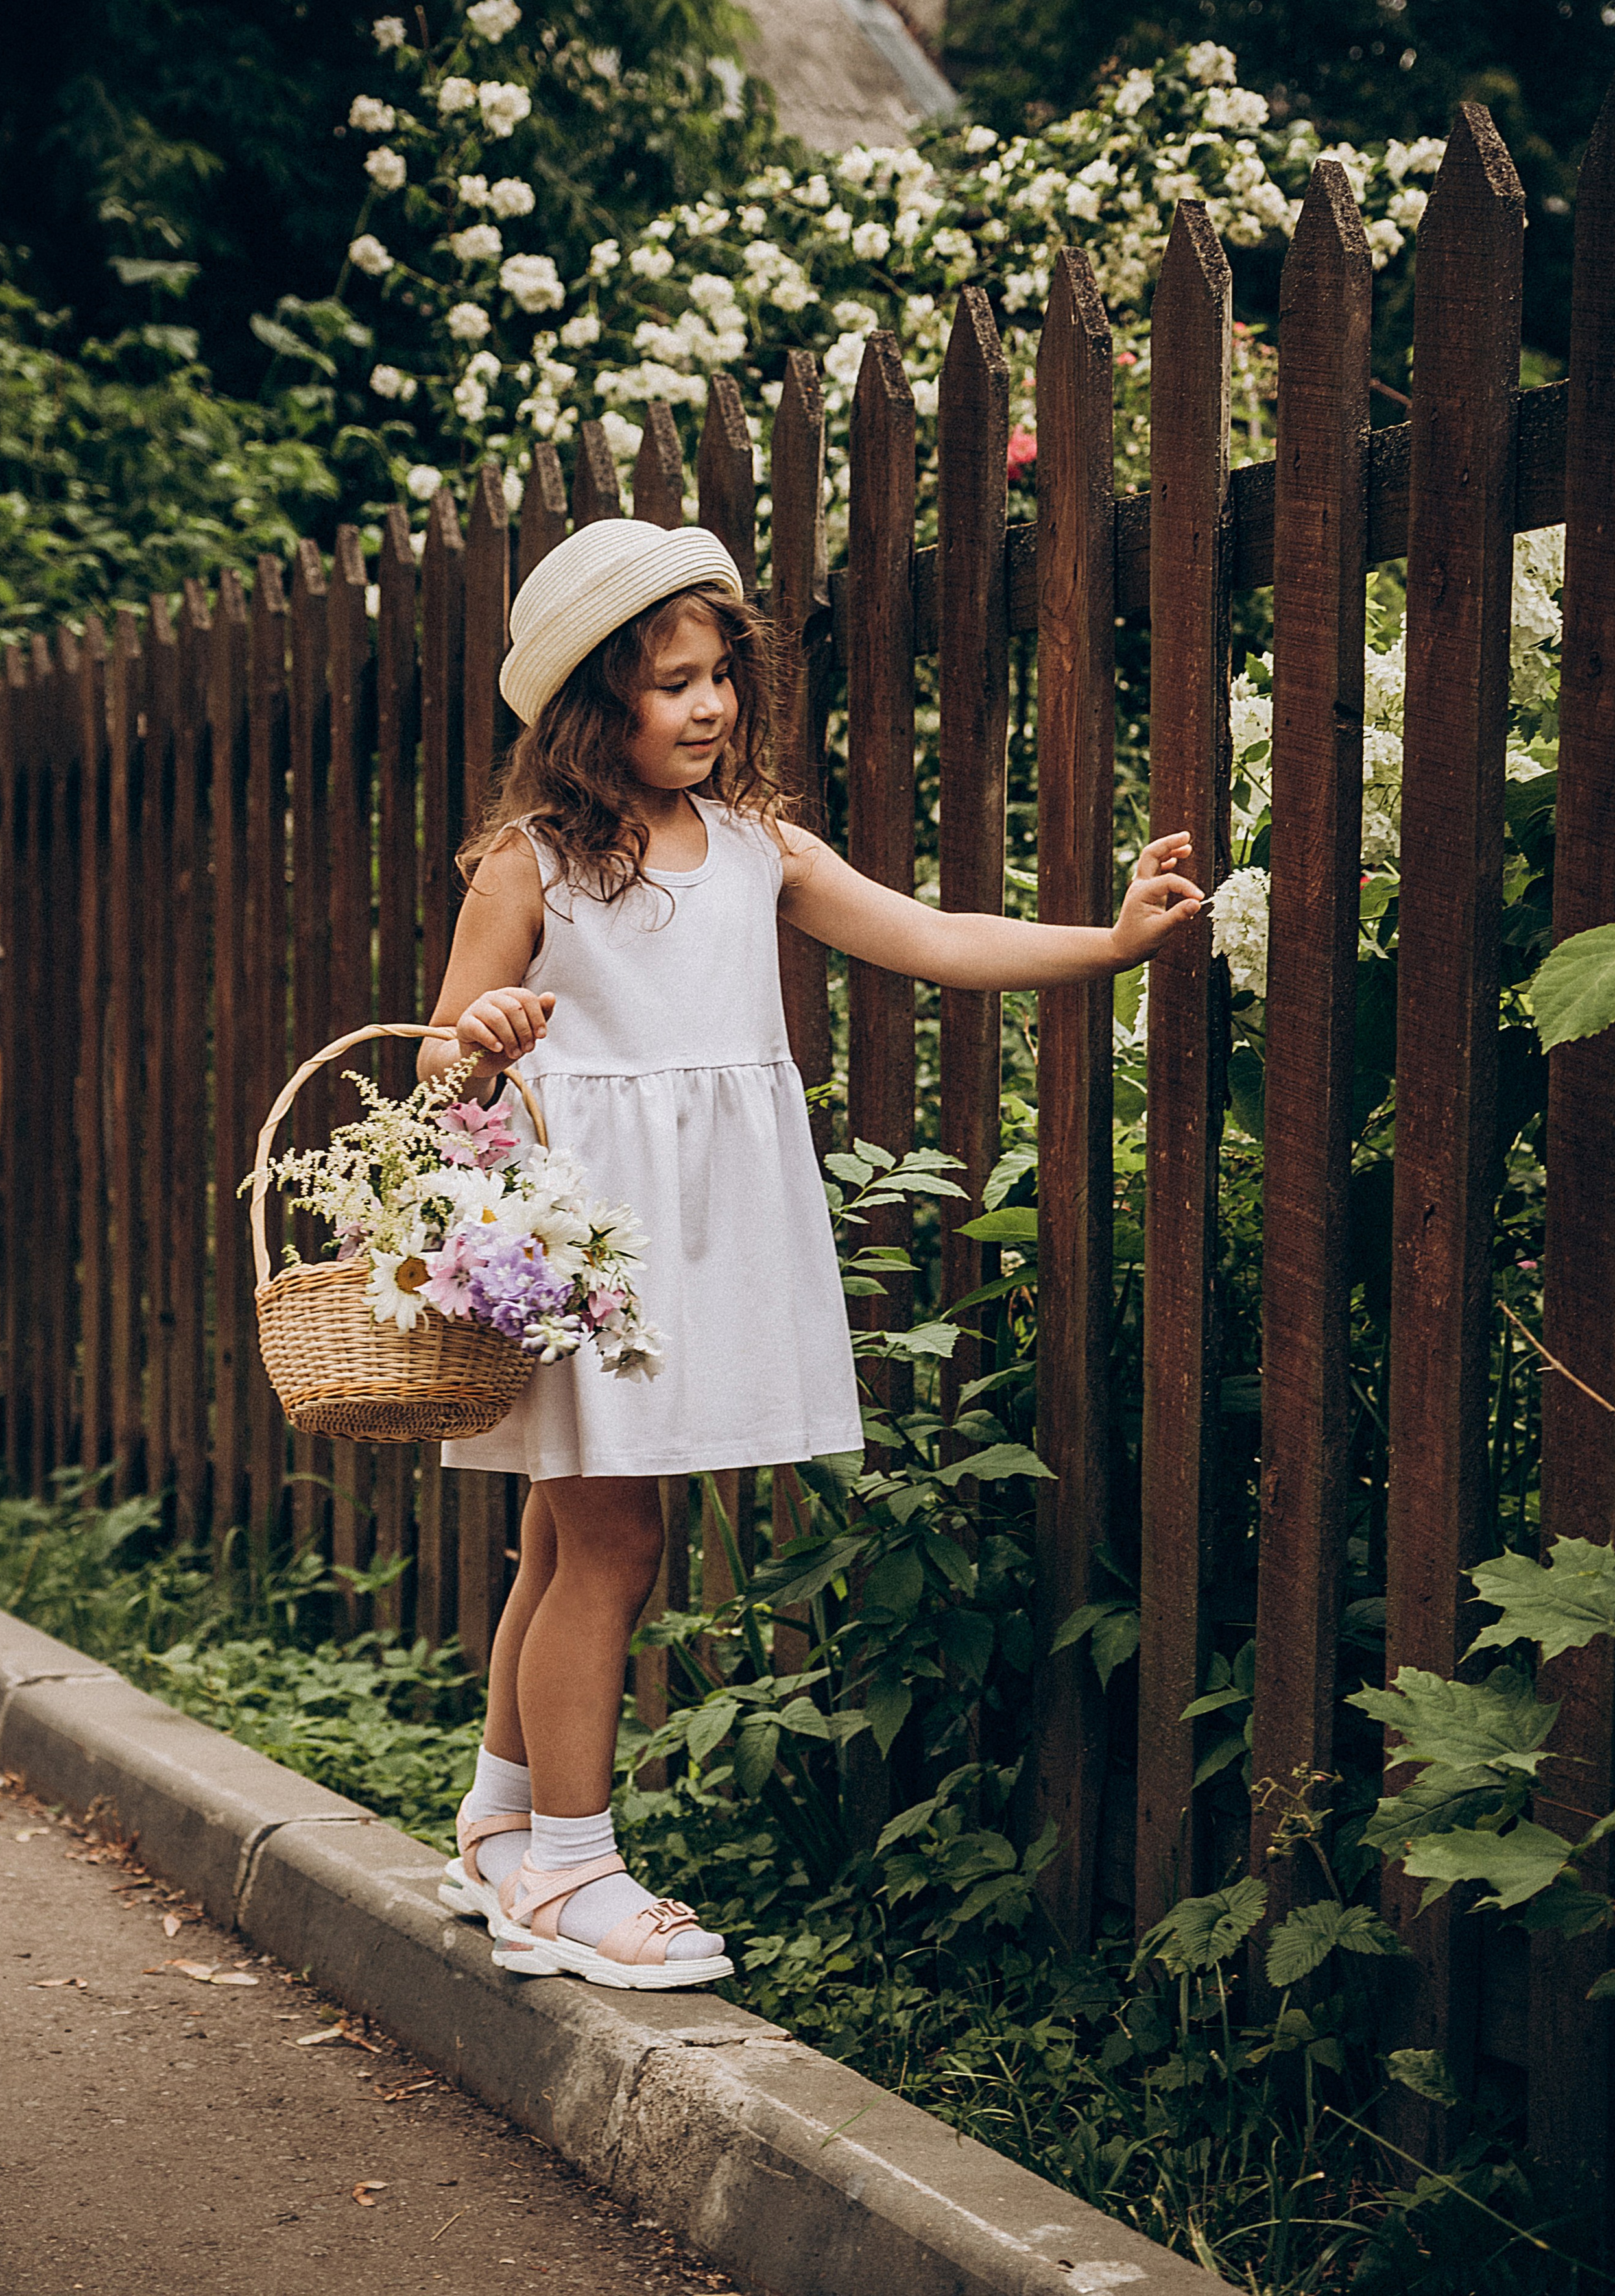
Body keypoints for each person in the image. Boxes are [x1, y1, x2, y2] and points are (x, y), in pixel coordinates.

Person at [422, 516, 1203, 1990]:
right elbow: (434, 1076)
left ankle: (500, 1828)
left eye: (717, 676)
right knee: (610, 1537)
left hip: (699, 1225)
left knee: (564, 1528)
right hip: (586, 1244)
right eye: (668, 684)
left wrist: (1107, 944)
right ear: (594, 705)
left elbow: (933, 934)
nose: (705, 706)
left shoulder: (755, 846)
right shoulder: (524, 867)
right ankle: (572, 1877)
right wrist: (484, 1037)